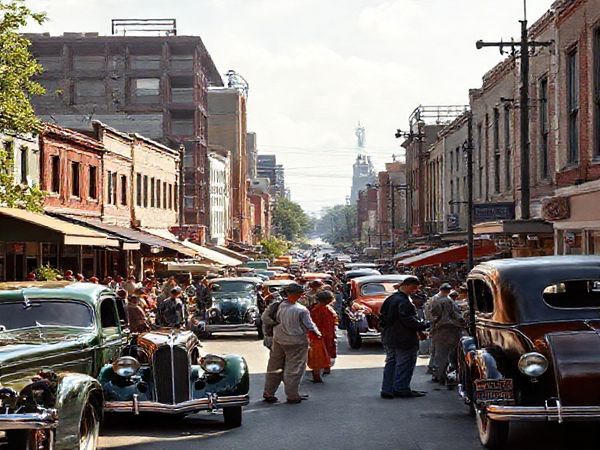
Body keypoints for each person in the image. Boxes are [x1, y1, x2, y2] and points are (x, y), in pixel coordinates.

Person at [263, 283, 321, 404]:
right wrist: (318, 334)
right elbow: (310, 326)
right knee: (294, 369)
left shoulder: (278, 306)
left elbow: (265, 318)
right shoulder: (301, 309)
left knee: (274, 367)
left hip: (278, 340)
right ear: (299, 294)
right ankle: (292, 395)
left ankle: (269, 393)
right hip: (297, 342)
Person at [379, 276, 429, 399]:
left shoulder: (391, 299)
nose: (415, 290)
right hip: (403, 338)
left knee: (392, 362)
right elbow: (408, 320)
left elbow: (383, 318)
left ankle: (387, 389)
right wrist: (424, 325)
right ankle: (401, 388)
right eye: (413, 287)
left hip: (390, 336)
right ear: (406, 285)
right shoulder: (404, 301)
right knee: (405, 363)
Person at [427, 284, 466, 384]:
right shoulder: (446, 301)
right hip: (447, 330)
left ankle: (437, 375)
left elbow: (431, 316)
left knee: (438, 354)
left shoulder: (433, 299)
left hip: (437, 330)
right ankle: (441, 376)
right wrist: (461, 321)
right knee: (446, 354)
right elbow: (452, 316)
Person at [308, 290, 338, 382]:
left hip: (320, 335)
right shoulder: (327, 309)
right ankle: (323, 370)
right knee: (323, 353)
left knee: (318, 356)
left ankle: (319, 374)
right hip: (325, 334)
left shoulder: (317, 309)